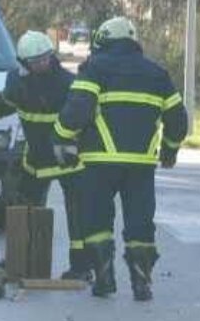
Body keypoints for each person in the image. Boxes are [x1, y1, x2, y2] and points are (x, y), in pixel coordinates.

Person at [53, 16, 188, 300]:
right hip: (140, 164)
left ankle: (104, 280)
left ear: (102, 41)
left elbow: (77, 109)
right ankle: (142, 283)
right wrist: (170, 149)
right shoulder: (157, 73)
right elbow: (178, 118)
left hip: (99, 162)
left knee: (97, 221)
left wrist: (62, 137)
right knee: (140, 223)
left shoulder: (94, 68)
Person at [0, 31, 89, 280]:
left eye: (45, 58)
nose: (42, 64)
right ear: (24, 63)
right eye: (36, 61)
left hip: (65, 156)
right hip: (35, 159)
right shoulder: (17, 83)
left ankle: (80, 268)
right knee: (22, 212)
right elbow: (3, 104)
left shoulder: (67, 83)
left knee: (78, 214)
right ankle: (17, 262)